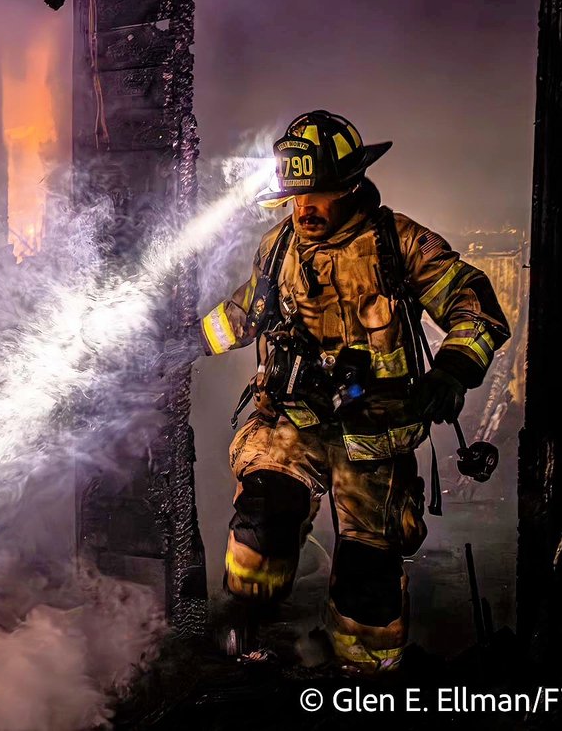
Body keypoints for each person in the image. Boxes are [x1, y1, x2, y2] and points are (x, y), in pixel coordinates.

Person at [201, 110, 509, 673]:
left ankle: (366, 679)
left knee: (368, 573)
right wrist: (186, 342)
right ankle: (246, 629)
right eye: (296, 195)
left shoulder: (400, 244)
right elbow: (247, 311)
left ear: (349, 186)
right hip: (289, 421)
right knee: (264, 517)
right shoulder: (278, 247)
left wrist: (451, 371)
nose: (304, 208)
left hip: (375, 435)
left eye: (317, 194)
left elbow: (478, 309)